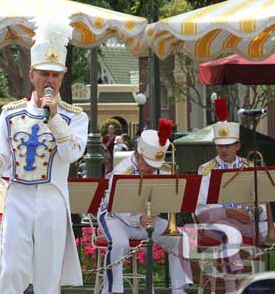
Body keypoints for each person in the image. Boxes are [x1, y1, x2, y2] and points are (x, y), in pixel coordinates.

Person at [0, 17, 88, 293]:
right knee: (12, 270)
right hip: (18, 196)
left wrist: (54, 118)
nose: (49, 80)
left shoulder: (75, 117)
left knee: (47, 274)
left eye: (55, 74)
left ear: (62, 77)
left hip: (52, 197)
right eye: (44, 73)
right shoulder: (10, 113)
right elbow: (4, 162)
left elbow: (71, 154)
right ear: (32, 75)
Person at [98, 120, 192, 294]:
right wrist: (138, 218)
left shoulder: (161, 170)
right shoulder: (121, 172)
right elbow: (116, 206)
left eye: (154, 165)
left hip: (146, 219)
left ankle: (179, 288)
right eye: (147, 164)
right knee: (120, 244)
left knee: (180, 239)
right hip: (115, 218)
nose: (151, 169)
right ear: (138, 156)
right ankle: (112, 290)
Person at [195, 99, 272, 293]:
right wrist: (228, 212)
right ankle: (232, 289)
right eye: (220, 145)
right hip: (216, 226)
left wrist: (257, 210)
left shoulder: (250, 167)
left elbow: (263, 207)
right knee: (230, 234)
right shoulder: (205, 170)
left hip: (248, 223)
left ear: (237, 145)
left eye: (228, 145)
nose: (223, 149)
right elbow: (201, 211)